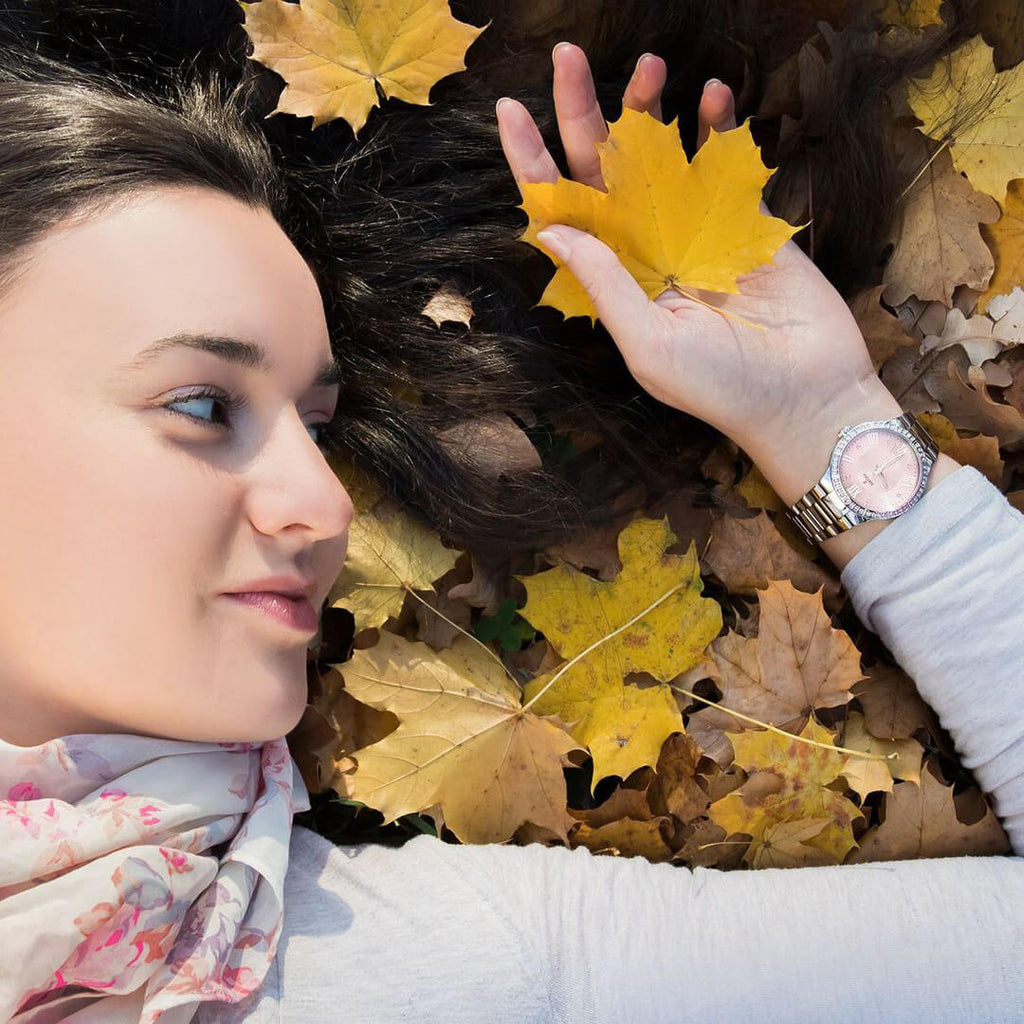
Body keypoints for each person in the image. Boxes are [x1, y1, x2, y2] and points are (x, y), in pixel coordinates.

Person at [0, 35, 1021, 1024]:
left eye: (317, 427)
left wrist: (822, 419)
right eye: (204, 406)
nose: (325, 505)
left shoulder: (455, 965)